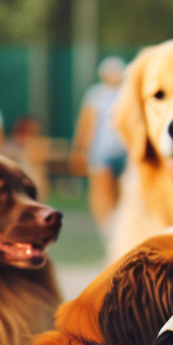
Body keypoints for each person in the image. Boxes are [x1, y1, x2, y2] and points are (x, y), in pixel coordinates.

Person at [71, 56, 127, 230]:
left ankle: (118, 224)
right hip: (100, 151)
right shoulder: (96, 94)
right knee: (101, 190)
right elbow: (85, 123)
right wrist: (80, 149)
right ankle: (105, 226)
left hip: (125, 150)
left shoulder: (127, 93)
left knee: (122, 191)